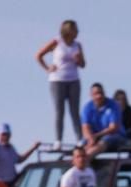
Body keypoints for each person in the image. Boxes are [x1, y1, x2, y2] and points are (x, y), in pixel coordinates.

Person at [36, 19, 85, 149]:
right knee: (59, 111)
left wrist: (79, 60)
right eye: (75, 29)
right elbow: (39, 55)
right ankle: (58, 140)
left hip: (73, 80)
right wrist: (47, 68)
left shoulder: (77, 45)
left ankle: (79, 138)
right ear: (69, 31)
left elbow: (83, 64)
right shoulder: (57, 42)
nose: (77, 32)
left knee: (74, 110)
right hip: (57, 80)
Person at [81, 83, 127, 156]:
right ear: (91, 95)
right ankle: (76, 163)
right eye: (96, 94)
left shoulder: (113, 105)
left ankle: (86, 159)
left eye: (101, 93)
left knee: (103, 141)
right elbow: (85, 127)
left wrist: (96, 136)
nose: (99, 96)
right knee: (81, 146)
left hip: (115, 136)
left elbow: (113, 128)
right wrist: (90, 139)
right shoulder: (87, 107)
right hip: (95, 137)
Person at [0, 123, 40, 187]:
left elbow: (20, 160)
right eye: (3, 134)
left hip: (12, 184)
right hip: (0, 184)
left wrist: (33, 148)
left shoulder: (11, 148)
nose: (5, 137)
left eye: (7, 135)